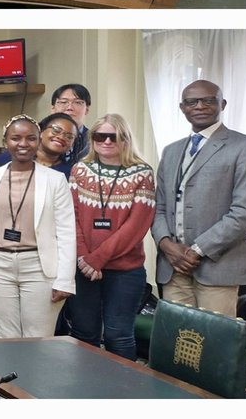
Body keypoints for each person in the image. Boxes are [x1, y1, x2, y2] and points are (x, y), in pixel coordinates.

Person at [152, 79, 246, 316]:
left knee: (214, 345)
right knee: (177, 344)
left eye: (208, 100)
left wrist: (197, 250)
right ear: (182, 107)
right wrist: (167, 246)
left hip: (218, 267)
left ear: (222, 104)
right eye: (191, 102)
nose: (199, 106)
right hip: (172, 266)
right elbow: (159, 207)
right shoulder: (171, 150)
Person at [0, 116, 76, 338]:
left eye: (30, 138)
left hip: (39, 266)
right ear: (5, 141)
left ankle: (36, 376)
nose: (23, 144)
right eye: (16, 138)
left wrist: (65, 279)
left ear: (38, 141)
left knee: (38, 339)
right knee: (4, 338)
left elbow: (67, 232)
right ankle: (11, 375)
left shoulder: (55, 180)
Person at [67, 113, 155, 359]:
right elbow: (70, 218)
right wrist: (84, 257)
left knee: (119, 335)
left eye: (113, 136)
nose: (106, 141)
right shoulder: (80, 170)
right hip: (83, 268)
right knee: (84, 335)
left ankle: (122, 394)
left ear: (125, 139)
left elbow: (136, 227)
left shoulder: (142, 172)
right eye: (100, 136)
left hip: (125, 271)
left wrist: (97, 259)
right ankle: (85, 391)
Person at [51, 85, 93, 168]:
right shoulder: (42, 138)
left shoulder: (95, 140)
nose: (69, 108)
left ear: (87, 109)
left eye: (77, 102)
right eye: (63, 102)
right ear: (53, 108)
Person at [34, 112, 80, 177]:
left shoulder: (70, 174)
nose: (61, 137)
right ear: (41, 131)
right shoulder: (18, 160)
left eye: (69, 136)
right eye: (56, 130)